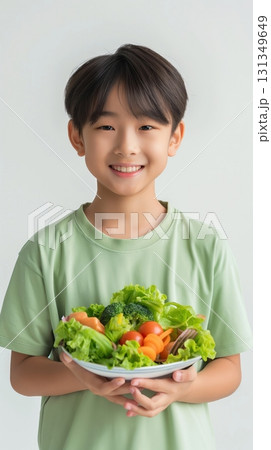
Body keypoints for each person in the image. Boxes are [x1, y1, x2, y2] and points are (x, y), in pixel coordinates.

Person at [0, 44, 252, 450]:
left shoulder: (205, 247)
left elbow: (229, 369)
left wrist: (182, 388)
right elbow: (23, 374)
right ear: (76, 136)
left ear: (175, 137)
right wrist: (82, 376)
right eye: (106, 127)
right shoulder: (46, 251)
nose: (127, 146)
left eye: (147, 126)